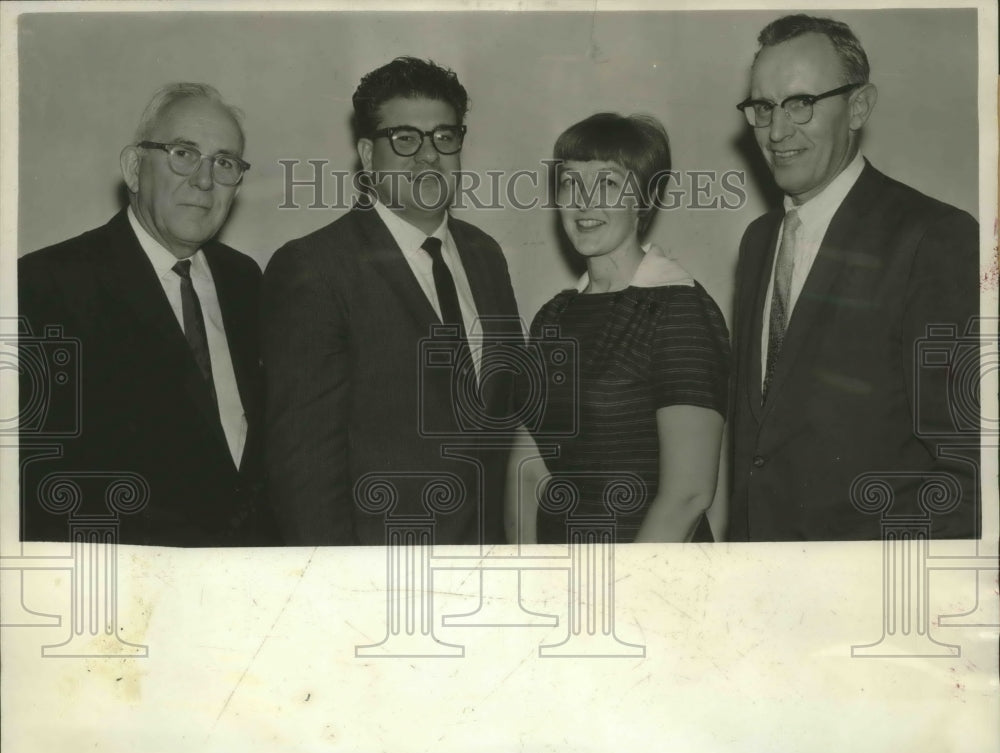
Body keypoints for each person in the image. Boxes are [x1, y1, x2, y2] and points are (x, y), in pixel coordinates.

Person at [729, 14, 980, 540]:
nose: (777, 131)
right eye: (763, 107)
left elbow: (965, 468)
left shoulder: (933, 237)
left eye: (801, 103)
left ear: (859, 106)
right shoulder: (757, 242)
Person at [263, 57, 520, 545]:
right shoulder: (314, 267)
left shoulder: (486, 254)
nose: (428, 156)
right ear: (366, 153)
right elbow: (304, 471)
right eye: (404, 138)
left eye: (444, 136)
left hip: (487, 571)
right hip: (377, 581)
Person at [18, 82, 274, 546]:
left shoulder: (246, 281)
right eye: (183, 153)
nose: (204, 180)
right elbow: (34, 487)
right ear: (134, 169)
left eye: (225, 162)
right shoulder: (45, 286)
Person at [505, 113, 730, 544]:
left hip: (650, 584)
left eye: (608, 183)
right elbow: (527, 470)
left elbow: (688, 494)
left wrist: (625, 598)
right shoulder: (553, 317)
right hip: (559, 580)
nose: (584, 201)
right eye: (571, 182)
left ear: (644, 200)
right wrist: (526, 582)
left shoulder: (679, 308)